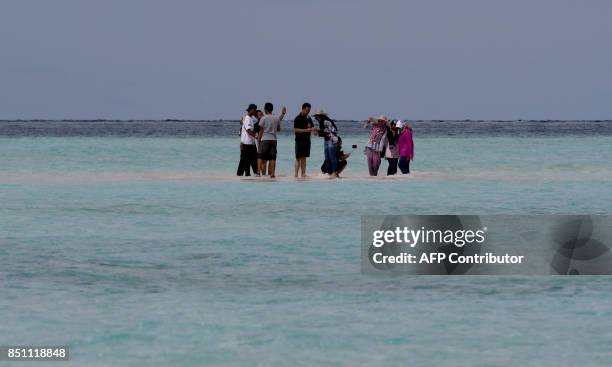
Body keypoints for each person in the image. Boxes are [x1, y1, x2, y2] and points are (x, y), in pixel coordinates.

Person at [257, 102, 286, 178]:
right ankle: (272, 174)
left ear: (265, 109)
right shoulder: (276, 118)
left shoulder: (263, 118)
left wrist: (259, 140)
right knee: (272, 158)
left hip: (265, 139)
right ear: (272, 109)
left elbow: (261, 131)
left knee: (260, 156)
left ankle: (258, 173)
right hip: (273, 140)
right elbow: (279, 129)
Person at [313, 110, 340, 178]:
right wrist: (318, 132)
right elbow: (325, 132)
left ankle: (334, 172)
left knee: (332, 158)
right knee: (327, 158)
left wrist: (318, 133)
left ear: (321, 116)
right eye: (315, 117)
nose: (316, 118)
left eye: (316, 117)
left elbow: (333, 131)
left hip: (332, 140)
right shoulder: (322, 122)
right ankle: (330, 172)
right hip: (327, 140)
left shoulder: (327, 121)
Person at [293, 103, 315, 178]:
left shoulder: (309, 118)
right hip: (299, 141)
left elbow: (312, 128)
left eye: (309, 111)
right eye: (307, 110)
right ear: (303, 109)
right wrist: (306, 130)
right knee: (298, 158)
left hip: (307, 141)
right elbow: (296, 130)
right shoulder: (297, 118)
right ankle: (295, 175)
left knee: (304, 158)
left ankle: (303, 174)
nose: (308, 112)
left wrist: (313, 130)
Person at [237, 104, 259, 176]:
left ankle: (240, 174)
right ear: (251, 110)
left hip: (248, 143)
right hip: (247, 143)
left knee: (245, 160)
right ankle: (248, 174)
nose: (255, 111)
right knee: (248, 160)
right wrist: (256, 136)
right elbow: (248, 130)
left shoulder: (249, 118)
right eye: (255, 110)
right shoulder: (247, 118)